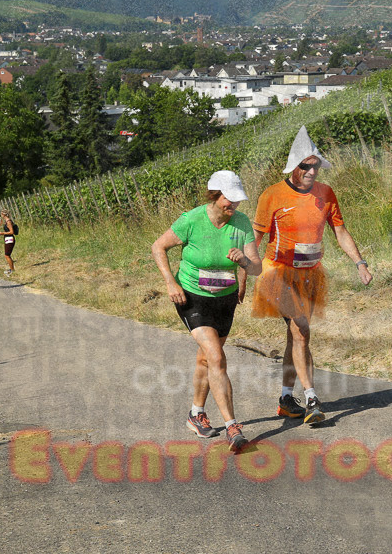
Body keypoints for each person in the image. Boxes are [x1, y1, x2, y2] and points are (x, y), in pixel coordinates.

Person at [251, 126, 373, 425]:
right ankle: (312, 400)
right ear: (294, 166)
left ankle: (285, 398)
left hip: (310, 274)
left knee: (297, 336)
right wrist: (243, 274)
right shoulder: (273, 195)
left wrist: (360, 263)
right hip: (277, 272)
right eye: (305, 166)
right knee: (301, 331)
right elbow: (254, 238)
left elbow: (340, 231)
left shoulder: (326, 194)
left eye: (316, 166)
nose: (311, 171)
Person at [151, 171, 262, 453]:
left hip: (224, 299)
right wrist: (170, 282)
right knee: (216, 356)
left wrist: (245, 262)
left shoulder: (242, 223)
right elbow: (158, 247)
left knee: (205, 360)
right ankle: (233, 427)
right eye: (229, 199)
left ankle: (195, 414)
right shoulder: (192, 220)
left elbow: (257, 267)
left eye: (237, 200)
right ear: (215, 195)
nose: (234, 205)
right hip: (192, 297)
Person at [0, 211, 18, 275]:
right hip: (7, 239)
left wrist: (2, 233)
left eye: (1, 214)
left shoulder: (8, 221)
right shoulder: (7, 221)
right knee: (7, 255)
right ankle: (11, 269)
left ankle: (12, 270)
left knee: (7, 255)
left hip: (10, 239)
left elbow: (11, 232)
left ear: (4, 214)